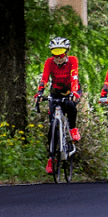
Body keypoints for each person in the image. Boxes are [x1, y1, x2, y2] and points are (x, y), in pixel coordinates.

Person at [33, 37, 81, 175]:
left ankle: (72, 129)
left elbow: (74, 76)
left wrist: (74, 92)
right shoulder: (49, 62)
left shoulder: (72, 60)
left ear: (66, 53)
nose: (58, 58)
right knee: (52, 127)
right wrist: (40, 92)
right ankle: (51, 158)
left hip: (71, 89)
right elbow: (45, 78)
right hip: (55, 92)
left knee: (70, 105)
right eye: (55, 55)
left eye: (61, 55)